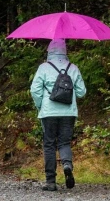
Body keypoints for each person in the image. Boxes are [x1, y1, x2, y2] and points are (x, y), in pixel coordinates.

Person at [30, 39, 86, 191]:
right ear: (65, 51)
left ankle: (50, 181)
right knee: (64, 142)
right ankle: (67, 165)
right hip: (68, 112)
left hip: (48, 112)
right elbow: (82, 92)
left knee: (49, 144)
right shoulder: (73, 67)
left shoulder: (44, 68)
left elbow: (35, 90)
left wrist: (40, 105)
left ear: (49, 51)